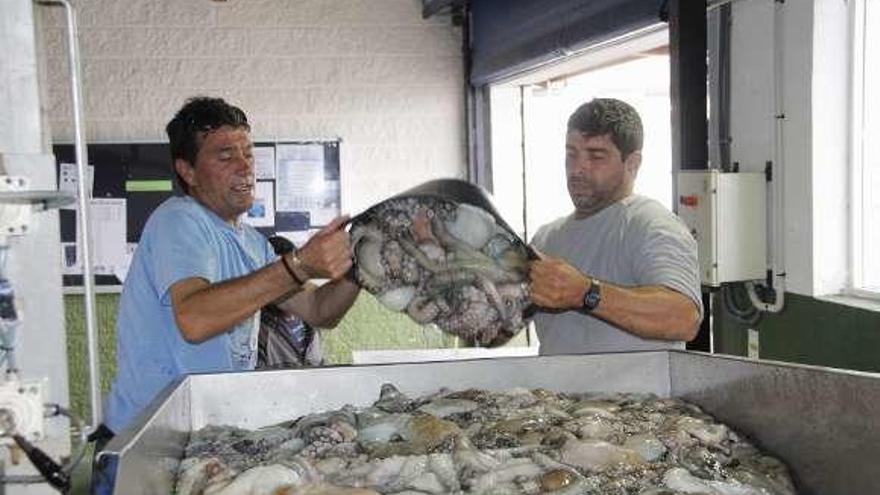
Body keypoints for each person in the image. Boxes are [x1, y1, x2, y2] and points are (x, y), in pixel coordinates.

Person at [91, 97, 359, 492]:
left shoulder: (253, 243)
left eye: (249, 154)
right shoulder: (179, 220)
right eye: (225, 155)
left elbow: (320, 310)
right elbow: (195, 320)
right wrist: (299, 263)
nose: (245, 166)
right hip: (144, 450)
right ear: (188, 171)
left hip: (206, 446)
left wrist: (362, 266)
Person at [527, 98, 702, 355]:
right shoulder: (546, 238)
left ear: (633, 163)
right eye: (571, 154)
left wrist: (585, 293)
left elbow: (683, 318)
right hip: (555, 394)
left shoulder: (652, 225)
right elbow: (498, 324)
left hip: (635, 396)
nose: (577, 169)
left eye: (596, 156)